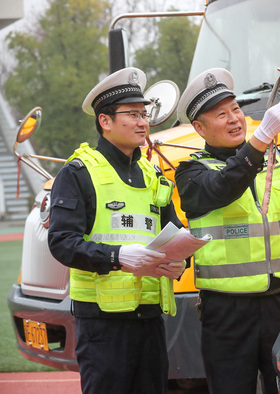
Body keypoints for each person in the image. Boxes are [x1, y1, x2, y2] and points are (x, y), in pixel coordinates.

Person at [174, 68, 280, 394]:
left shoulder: (272, 158)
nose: (234, 119)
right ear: (199, 128)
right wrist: (261, 138)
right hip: (226, 312)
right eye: (221, 114)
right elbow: (225, 186)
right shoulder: (192, 171)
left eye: (236, 109)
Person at [48, 67, 187, 394]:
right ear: (105, 121)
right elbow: (62, 243)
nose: (143, 122)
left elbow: (175, 232)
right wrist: (118, 256)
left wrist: (182, 261)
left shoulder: (153, 174)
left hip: (151, 321)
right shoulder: (78, 173)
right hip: (102, 325)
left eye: (145, 114)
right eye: (133, 115)